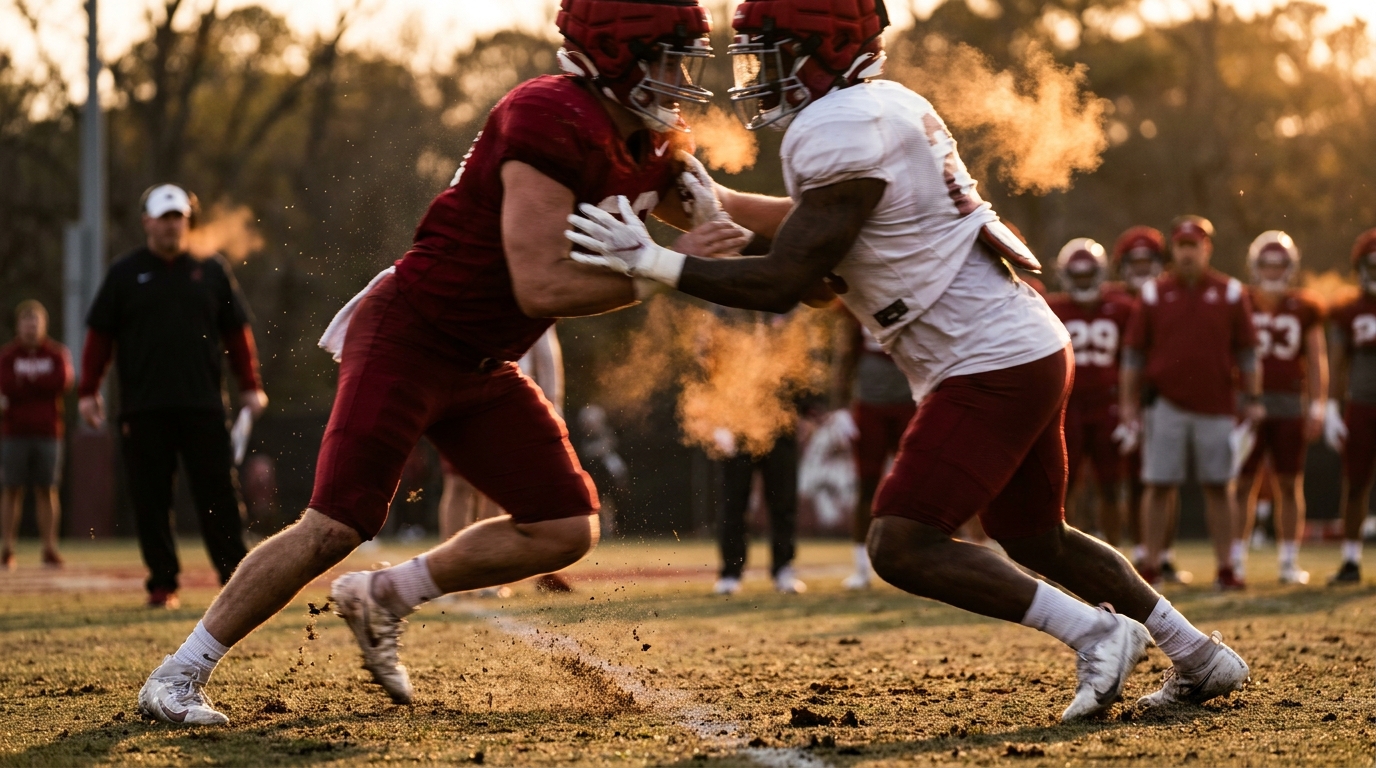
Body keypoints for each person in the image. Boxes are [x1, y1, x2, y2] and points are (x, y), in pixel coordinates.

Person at [566, 0, 1248, 720]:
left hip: (985, 361)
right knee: (1035, 535)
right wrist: (720, 214)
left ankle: (1097, 634)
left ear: (821, 46)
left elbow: (786, 282)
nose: (759, 70)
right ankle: (1201, 656)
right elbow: (830, 280)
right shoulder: (884, 106)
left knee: (903, 543)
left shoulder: (838, 129)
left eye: (775, 50)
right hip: (1021, 344)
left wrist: (655, 264)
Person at [136, 0, 742, 725]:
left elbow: (739, 213)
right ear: (618, 54)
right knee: (335, 524)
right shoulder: (550, 115)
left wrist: (847, 219)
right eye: (667, 57)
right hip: (411, 336)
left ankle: (386, 594)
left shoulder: (642, 140)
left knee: (564, 525)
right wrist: (672, 269)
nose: (679, 78)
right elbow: (543, 285)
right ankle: (179, 672)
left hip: (482, 363)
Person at [79, 184, 267, 609]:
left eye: (177, 217)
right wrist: (88, 391)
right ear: (147, 221)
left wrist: (250, 385)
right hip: (143, 408)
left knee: (218, 494)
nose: (170, 226)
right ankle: (162, 583)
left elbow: (237, 333)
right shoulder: (124, 273)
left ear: (188, 220)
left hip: (202, 405)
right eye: (163, 218)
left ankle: (234, 582)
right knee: (150, 499)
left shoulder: (211, 269)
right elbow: (99, 336)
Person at [1119, 215, 1263, 590]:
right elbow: (1133, 354)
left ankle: (1226, 568)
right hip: (1165, 403)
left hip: (1216, 404)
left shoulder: (1231, 292)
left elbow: (1248, 353)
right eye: (1181, 246)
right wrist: (1128, 404)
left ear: (1206, 248)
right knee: (1158, 484)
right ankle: (1150, 567)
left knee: (1219, 486)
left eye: (1193, 246)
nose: (1186, 253)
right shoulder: (1153, 293)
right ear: (1174, 249)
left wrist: (1253, 397)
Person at [436, 326, 573, 593]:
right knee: (459, 484)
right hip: (466, 393)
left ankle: (485, 574)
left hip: (505, 399)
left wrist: (553, 402)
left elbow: (547, 352)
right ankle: (447, 571)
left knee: (492, 490)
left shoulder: (530, 298)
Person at [1230, 231, 1326, 585]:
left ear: (1290, 267)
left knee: (1289, 482)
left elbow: (1316, 360)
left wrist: (1318, 406)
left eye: (1278, 264)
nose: (1272, 271)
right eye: (1266, 264)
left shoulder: (1305, 306)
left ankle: (1288, 561)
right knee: (1242, 484)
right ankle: (1236, 560)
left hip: (1288, 401)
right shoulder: (1239, 301)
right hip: (1248, 403)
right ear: (1256, 266)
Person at [710, 311, 805, 596]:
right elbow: (710, 369)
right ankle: (730, 572)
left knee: (783, 501)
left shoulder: (789, 317)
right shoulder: (728, 315)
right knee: (733, 501)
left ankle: (783, 567)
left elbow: (803, 371)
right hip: (737, 425)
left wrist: (810, 410)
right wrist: (718, 421)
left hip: (780, 425)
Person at [1046, 239, 1134, 544]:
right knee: (1065, 485)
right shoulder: (1052, 307)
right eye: (1077, 276)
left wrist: (1130, 411)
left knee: (1110, 485)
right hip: (1067, 406)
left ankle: (1114, 550)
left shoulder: (1122, 308)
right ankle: (1064, 551)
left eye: (1087, 275)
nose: (1083, 282)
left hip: (1108, 405)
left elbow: (1132, 361)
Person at [834, 313, 913, 589]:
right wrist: (840, 406)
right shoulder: (855, 303)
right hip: (869, 406)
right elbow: (845, 355)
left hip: (911, 402)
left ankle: (924, 558)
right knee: (867, 484)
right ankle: (861, 567)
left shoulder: (916, 291)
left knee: (919, 484)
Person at [0, 300, 73, 569]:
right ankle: (7, 548)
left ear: (44, 325)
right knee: (11, 490)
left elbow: (61, 382)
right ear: (19, 325)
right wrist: (38, 387)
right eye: (27, 322)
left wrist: (26, 385)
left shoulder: (56, 354)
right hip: (14, 433)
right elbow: (6, 384)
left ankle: (49, 548)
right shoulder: (7, 356)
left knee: (48, 489)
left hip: (48, 432)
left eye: (36, 322)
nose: (31, 328)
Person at [1324, 227, 1376, 585]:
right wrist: (1330, 406)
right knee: (1355, 484)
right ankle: (1351, 559)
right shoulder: (1348, 309)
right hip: (1361, 405)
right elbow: (1337, 361)